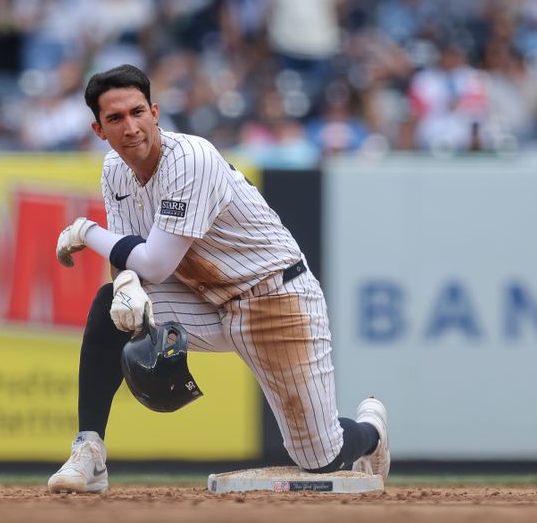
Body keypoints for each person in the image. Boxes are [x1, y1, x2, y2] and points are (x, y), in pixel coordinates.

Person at [47, 64, 390, 494]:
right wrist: (124, 288)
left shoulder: (191, 159)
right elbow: (131, 257)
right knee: (109, 306)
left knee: (320, 457)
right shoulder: (115, 169)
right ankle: (89, 451)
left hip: (275, 297)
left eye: (137, 112)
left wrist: (84, 231)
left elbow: (152, 265)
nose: (130, 127)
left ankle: (371, 431)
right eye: (115, 119)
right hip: (204, 300)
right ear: (99, 130)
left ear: (155, 112)